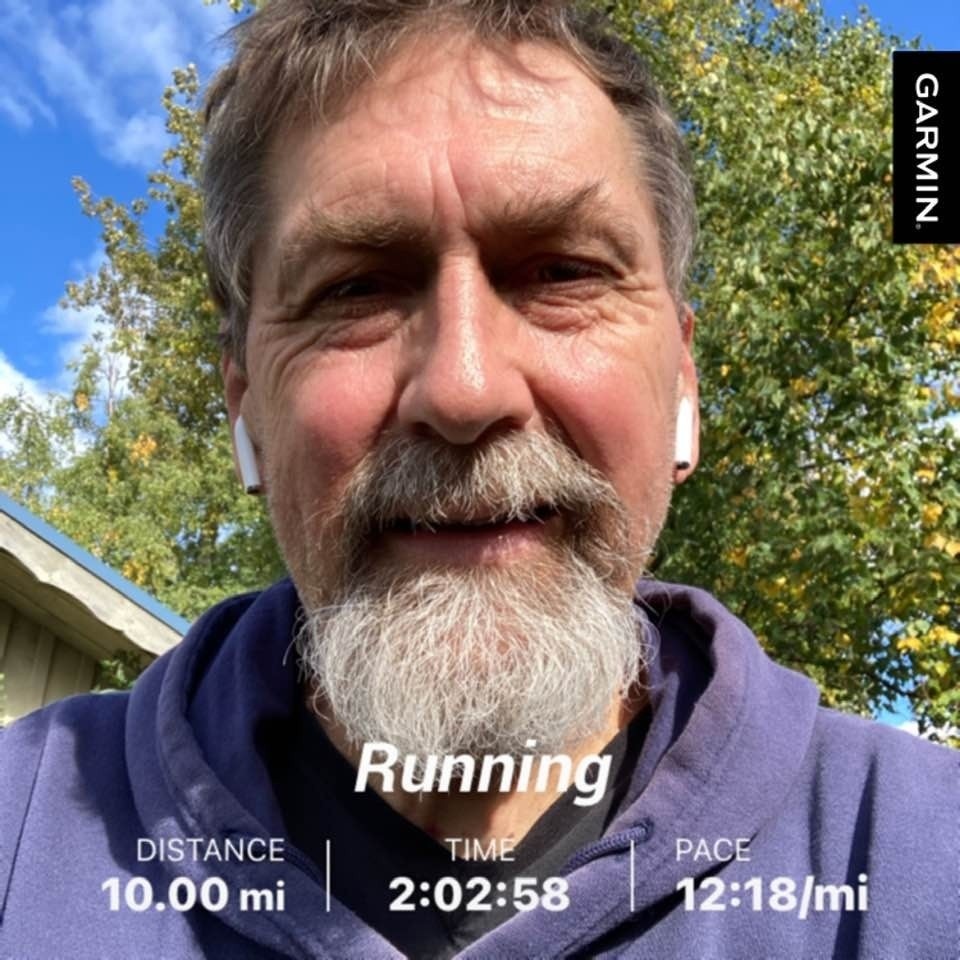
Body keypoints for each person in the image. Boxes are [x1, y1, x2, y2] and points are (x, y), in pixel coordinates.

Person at [0, 2, 956, 958]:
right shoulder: (21, 835)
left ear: (682, 387)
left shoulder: (924, 859)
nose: (464, 390)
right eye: (355, 288)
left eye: (563, 273)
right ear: (246, 405)